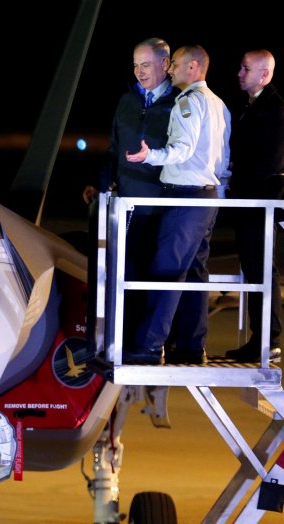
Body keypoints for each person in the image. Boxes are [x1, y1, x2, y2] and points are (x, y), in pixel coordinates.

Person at [124, 45, 231, 365]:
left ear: (194, 67)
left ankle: (147, 345)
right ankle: (190, 345)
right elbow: (223, 159)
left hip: (185, 196)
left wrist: (151, 156)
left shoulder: (188, 102)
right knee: (196, 273)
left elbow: (182, 150)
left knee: (167, 271)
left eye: (177, 65)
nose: (170, 71)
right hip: (207, 197)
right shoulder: (218, 104)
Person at [82, 37, 178, 353]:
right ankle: (123, 341)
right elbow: (114, 149)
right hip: (127, 203)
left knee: (158, 276)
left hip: (163, 206)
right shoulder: (127, 100)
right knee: (127, 273)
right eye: (135, 64)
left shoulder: (180, 102)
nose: (139, 71)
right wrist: (101, 182)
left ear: (166, 64)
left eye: (146, 64)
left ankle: (154, 343)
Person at [225, 49, 284, 363]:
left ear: (265, 74)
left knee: (263, 271)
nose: (239, 73)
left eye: (245, 68)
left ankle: (269, 340)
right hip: (248, 202)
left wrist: (236, 168)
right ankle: (259, 338)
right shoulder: (251, 106)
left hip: (260, 202)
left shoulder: (274, 109)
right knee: (253, 270)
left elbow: (270, 162)